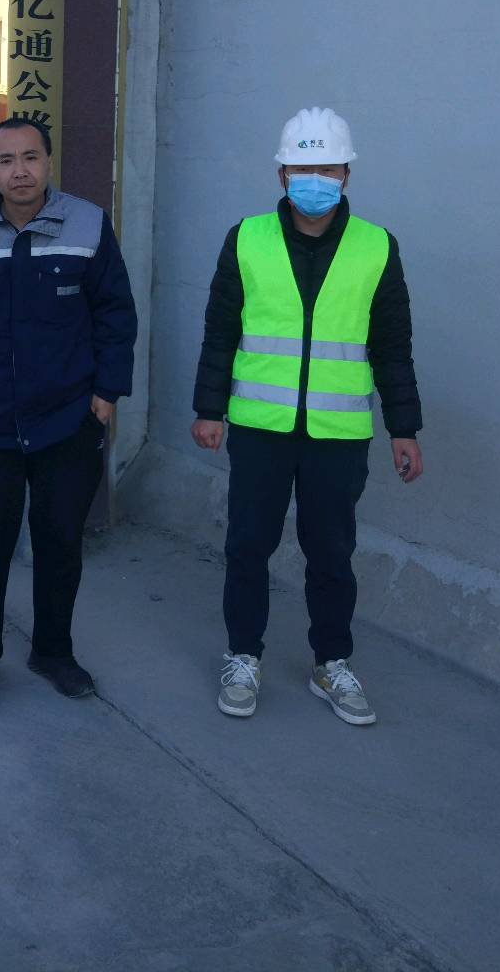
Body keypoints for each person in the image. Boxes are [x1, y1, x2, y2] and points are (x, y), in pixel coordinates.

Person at [190, 107, 423, 725]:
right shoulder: (246, 239)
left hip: (337, 435)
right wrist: (209, 409)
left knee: (331, 553)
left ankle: (331, 662)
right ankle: (244, 656)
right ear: (281, 175)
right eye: (302, 168)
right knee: (248, 546)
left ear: (346, 174)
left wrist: (404, 428)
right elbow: (221, 332)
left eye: (327, 168)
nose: (314, 179)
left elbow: (392, 347)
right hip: (259, 429)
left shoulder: (376, 246)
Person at [0, 119, 137, 708]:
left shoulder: (87, 224)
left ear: (49, 162)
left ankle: (53, 652)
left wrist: (108, 391)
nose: (21, 171)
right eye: (7, 160)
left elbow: (115, 313)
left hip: (68, 419)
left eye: (31, 157)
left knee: (60, 541)